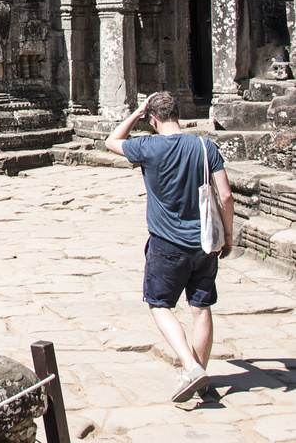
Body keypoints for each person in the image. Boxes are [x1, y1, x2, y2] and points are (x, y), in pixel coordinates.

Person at [105, 91, 234, 402]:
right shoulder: (204, 146)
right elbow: (226, 197)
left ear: (153, 119)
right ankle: (199, 377)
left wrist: (135, 112)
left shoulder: (147, 146)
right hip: (205, 243)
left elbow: (111, 141)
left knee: (160, 304)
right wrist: (228, 236)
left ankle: (190, 367)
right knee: (201, 309)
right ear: (179, 114)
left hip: (167, 244)